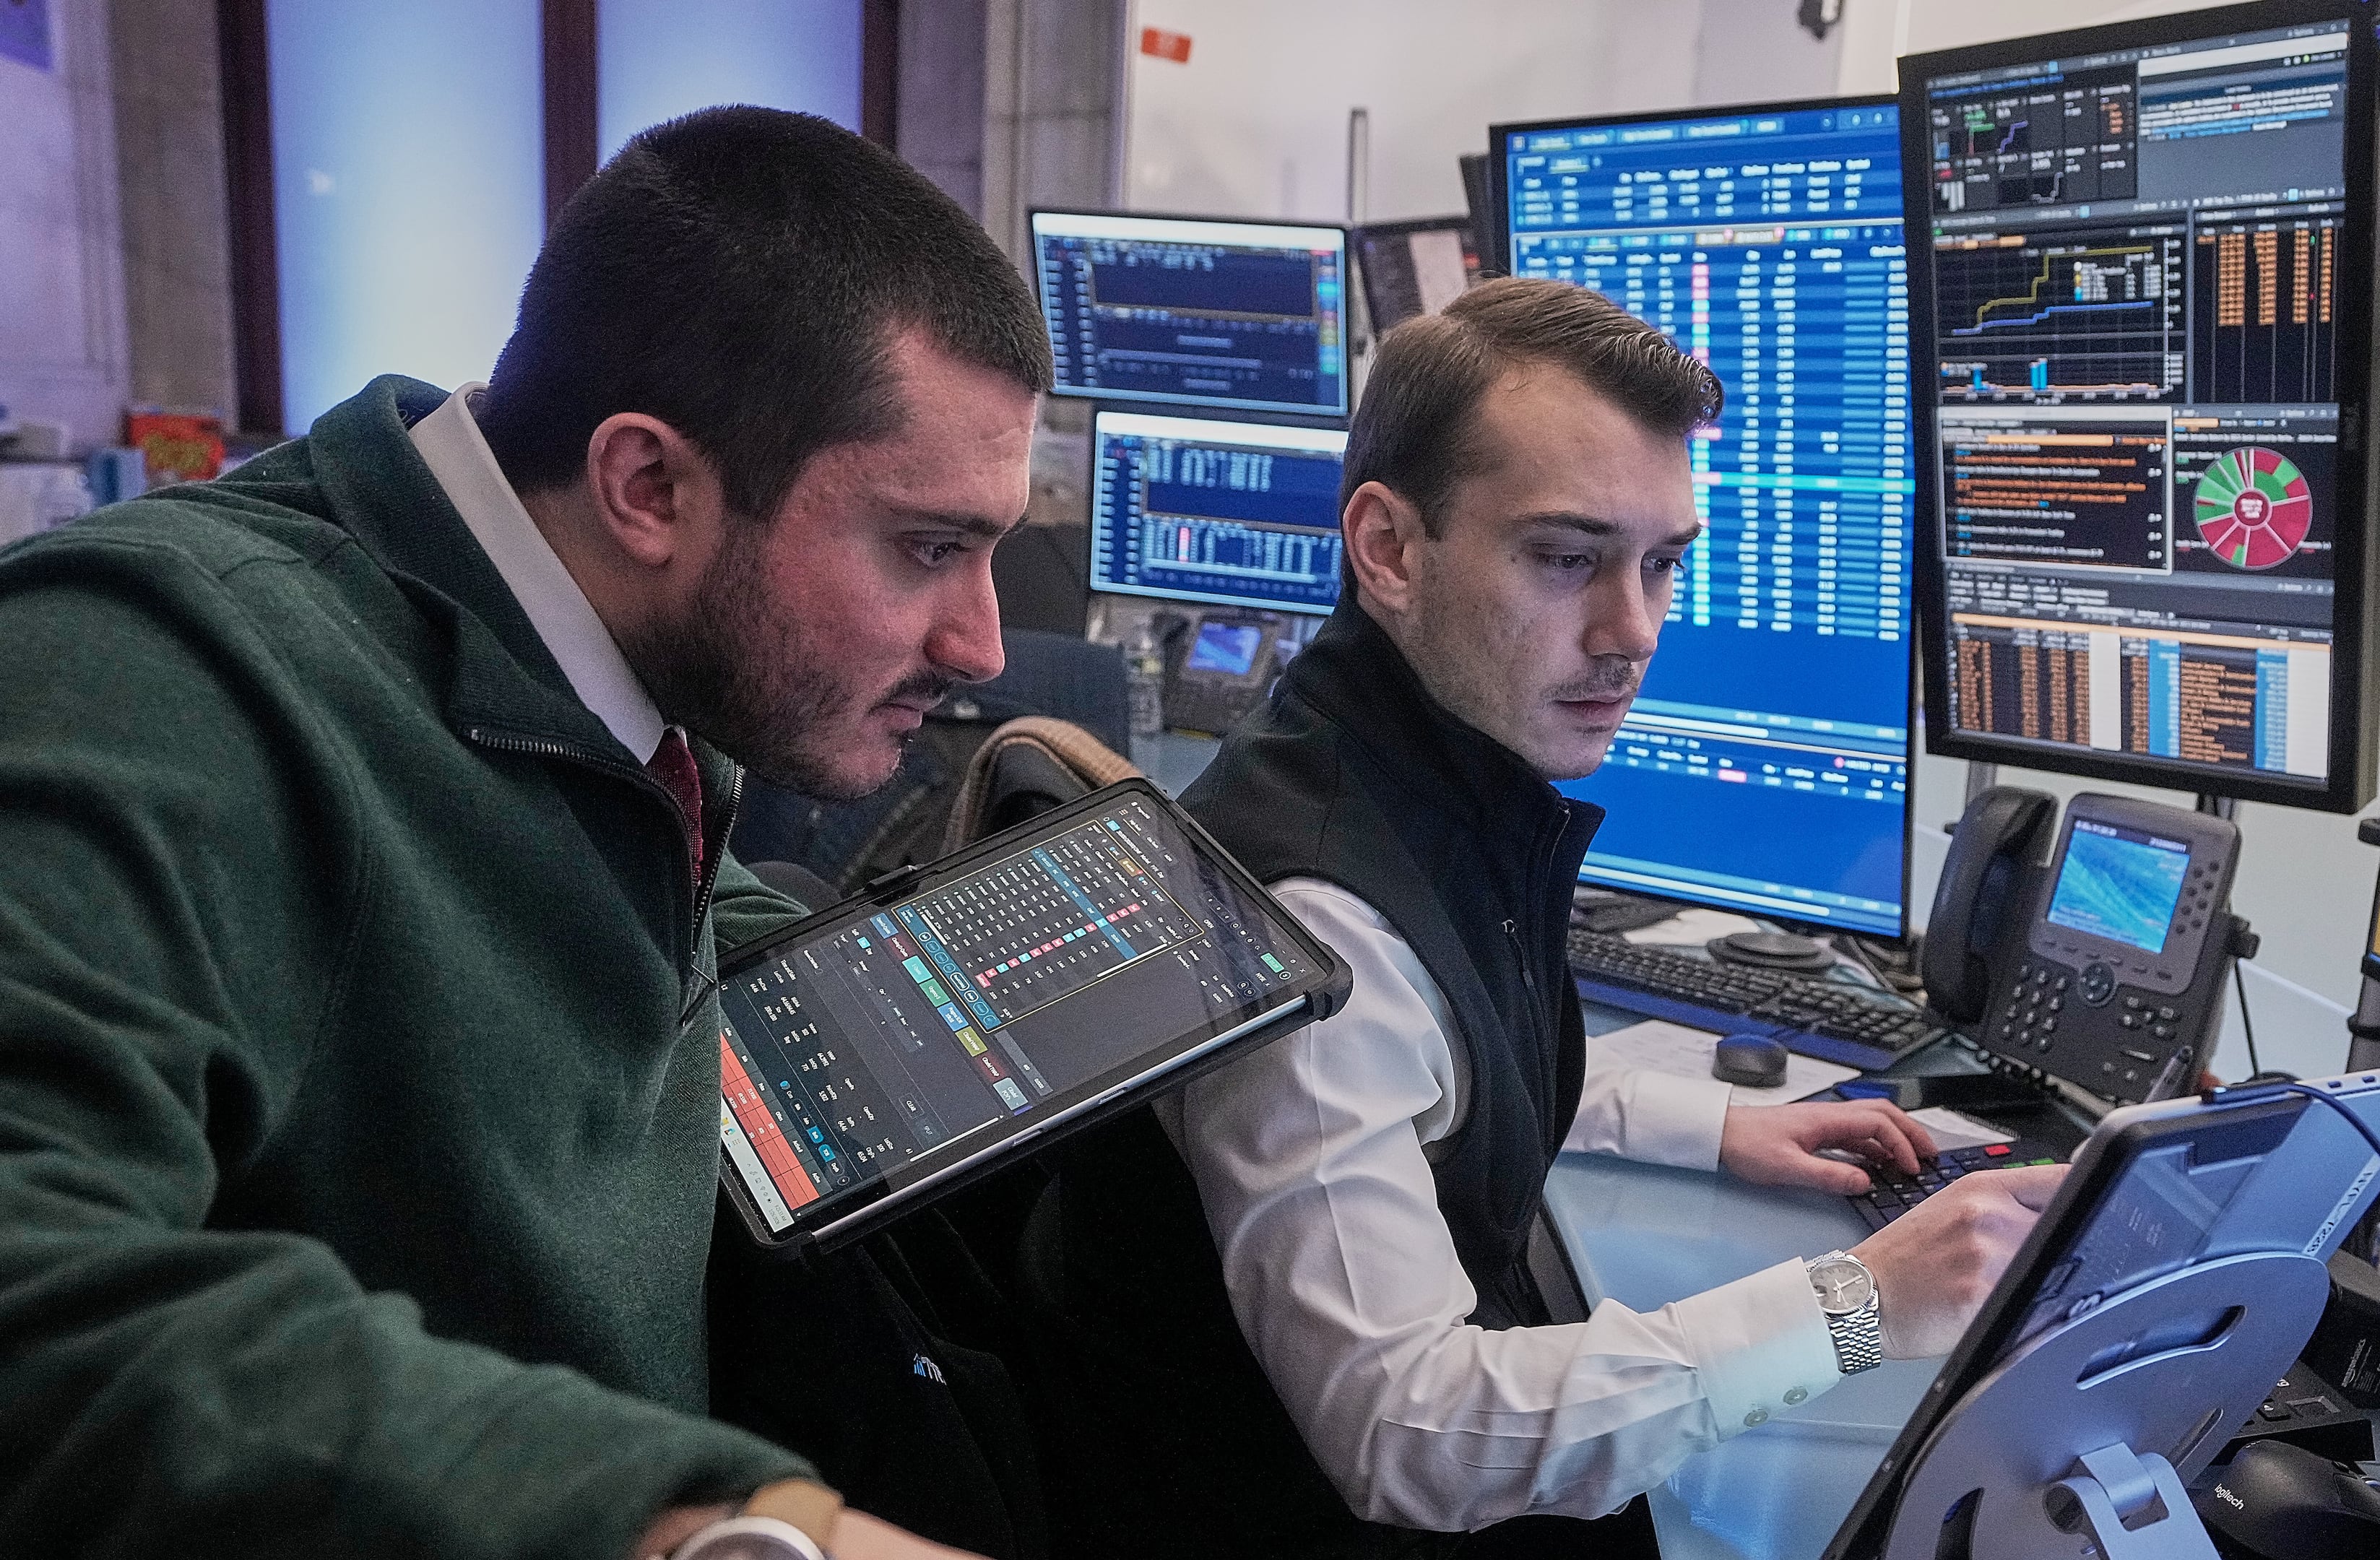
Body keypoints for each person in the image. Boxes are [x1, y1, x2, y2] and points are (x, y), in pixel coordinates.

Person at [0, 108, 1047, 1559]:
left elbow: (590, 868)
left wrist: (989, 954)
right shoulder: (148, 677)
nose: (983, 641)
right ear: (649, 486)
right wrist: (706, 1529)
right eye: (930, 548)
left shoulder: (618, 649)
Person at [1042, 277, 2069, 1556]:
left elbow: (1438, 1063)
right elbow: (1405, 1433)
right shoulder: (1314, 917)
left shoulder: (1406, 777)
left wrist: (1716, 1128)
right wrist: (1862, 1301)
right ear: (1390, 550)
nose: (1631, 631)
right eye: (1567, 558)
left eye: (1661, 564)